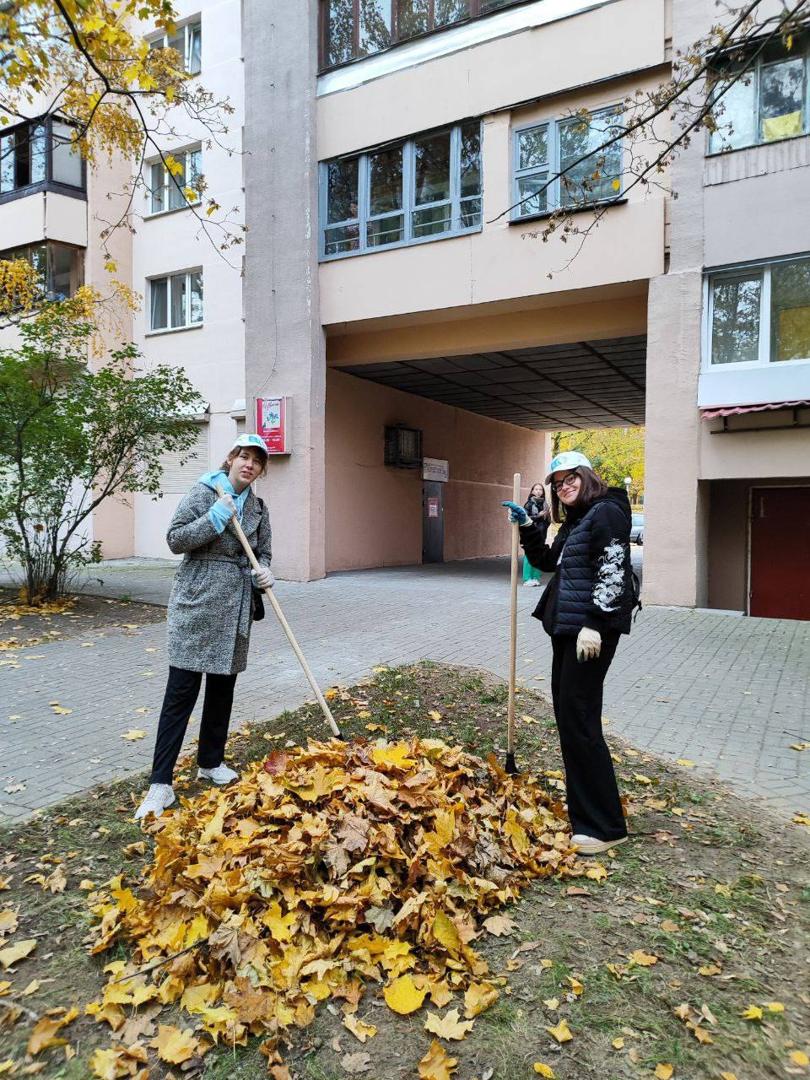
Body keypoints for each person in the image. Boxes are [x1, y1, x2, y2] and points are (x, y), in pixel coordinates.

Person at [502, 451, 637, 856]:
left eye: (570, 478)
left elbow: (613, 566)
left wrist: (595, 623)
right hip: (567, 631)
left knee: (579, 720)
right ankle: (586, 814)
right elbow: (546, 561)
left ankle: (605, 825)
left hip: (589, 632)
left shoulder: (608, 512)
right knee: (568, 715)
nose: (564, 486)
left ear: (587, 476)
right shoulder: (578, 520)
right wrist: (529, 526)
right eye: (558, 483)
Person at [134, 433, 274, 820]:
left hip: (235, 609)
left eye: (256, 461)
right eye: (243, 456)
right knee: (181, 692)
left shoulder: (259, 508)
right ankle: (160, 783)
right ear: (231, 459)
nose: (249, 464)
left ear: (261, 469)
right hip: (197, 604)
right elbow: (176, 540)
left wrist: (264, 572)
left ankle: (211, 762)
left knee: (222, 690)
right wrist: (214, 520)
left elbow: (263, 551)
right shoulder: (203, 493)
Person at [522, 482, 547, 587]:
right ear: (532, 491)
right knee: (529, 555)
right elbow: (525, 519)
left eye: (540, 489)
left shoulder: (546, 504)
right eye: (536, 489)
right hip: (530, 533)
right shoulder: (528, 504)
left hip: (541, 533)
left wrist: (546, 520)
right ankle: (527, 578)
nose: (538, 491)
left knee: (539, 555)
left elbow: (547, 521)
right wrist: (538, 516)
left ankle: (536, 577)